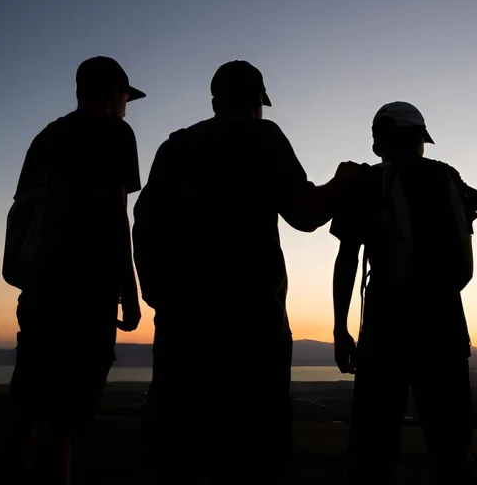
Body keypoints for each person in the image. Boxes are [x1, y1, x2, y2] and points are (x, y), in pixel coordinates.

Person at [132, 60, 363, 484]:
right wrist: (342, 182)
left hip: (181, 325)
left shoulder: (174, 147)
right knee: (255, 448)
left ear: (216, 100)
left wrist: (157, 297)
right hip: (252, 324)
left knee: (178, 445)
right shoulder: (262, 137)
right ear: (258, 101)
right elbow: (304, 212)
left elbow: (143, 223)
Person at [330, 101, 477, 484]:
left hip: (386, 325)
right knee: (449, 441)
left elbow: (347, 258)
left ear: (379, 141)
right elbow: (476, 196)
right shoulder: (444, 176)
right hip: (444, 322)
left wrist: (340, 329)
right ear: (418, 137)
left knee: (374, 443)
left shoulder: (365, 184)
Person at [1, 56, 146, 484]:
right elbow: (116, 215)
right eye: (125, 97)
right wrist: (130, 290)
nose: (126, 107)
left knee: (29, 400)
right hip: (87, 291)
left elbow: (23, 209)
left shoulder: (46, 137)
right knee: (65, 411)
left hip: (38, 289)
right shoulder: (116, 133)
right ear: (117, 92)